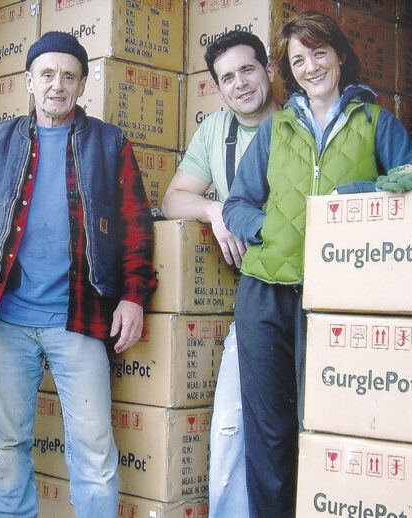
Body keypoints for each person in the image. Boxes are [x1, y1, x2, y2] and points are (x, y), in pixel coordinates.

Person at [0, 31, 156, 518]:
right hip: (7, 320)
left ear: (81, 85)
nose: (58, 85)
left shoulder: (109, 142)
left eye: (69, 76)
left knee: (94, 449)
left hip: (77, 318)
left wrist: (134, 297)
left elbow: (137, 229)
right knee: (7, 445)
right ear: (30, 82)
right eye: (48, 75)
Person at [222, 11, 412, 518]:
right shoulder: (275, 130)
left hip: (343, 300)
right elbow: (237, 205)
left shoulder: (377, 123)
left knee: (335, 427)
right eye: (298, 60)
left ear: (338, 55)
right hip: (266, 292)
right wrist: (266, 229)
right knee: (269, 432)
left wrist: (355, 194)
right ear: (288, 72)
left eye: (318, 53)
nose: (311, 67)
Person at [161, 31, 278, 518]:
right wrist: (216, 211)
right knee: (231, 420)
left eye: (247, 70)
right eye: (227, 78)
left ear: (269, 71)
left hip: (314, 289)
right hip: (256, 294)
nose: (240, 84)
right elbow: (172, 200)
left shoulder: (299, 122)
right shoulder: (216, 131)